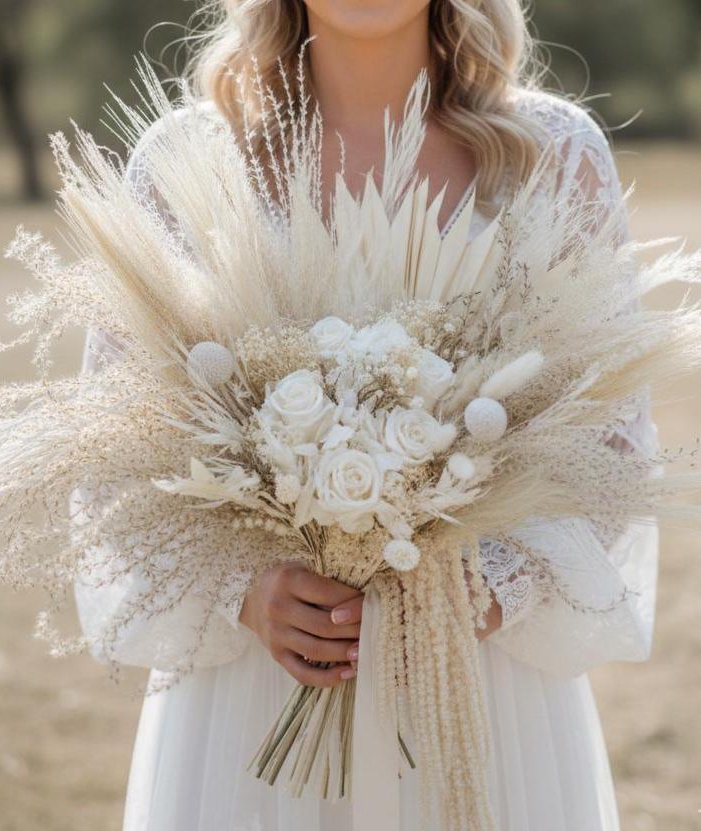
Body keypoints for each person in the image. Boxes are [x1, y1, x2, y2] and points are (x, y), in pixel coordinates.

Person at [75, 1, 659, 828]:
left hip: (480, 695)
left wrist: (491, 588)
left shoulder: (552, 157)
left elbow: (614, 448)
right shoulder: (185, 162)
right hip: (256, 703)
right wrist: (245, 591)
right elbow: (114, 458)